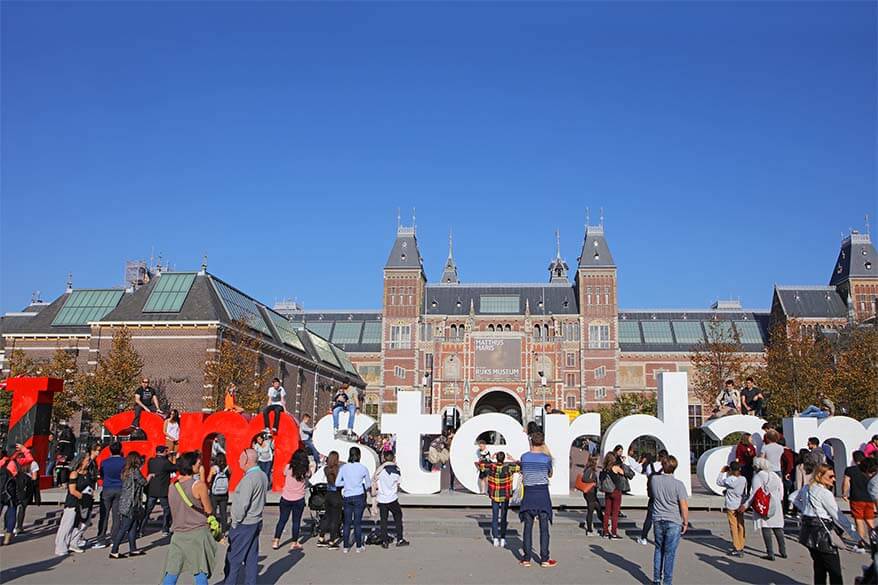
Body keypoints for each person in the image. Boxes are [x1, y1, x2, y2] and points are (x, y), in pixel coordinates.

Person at [794, 463, 859, 585]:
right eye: (830, 476)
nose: (834, 480)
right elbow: (838, 515)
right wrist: (855, 534)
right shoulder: (824, 493)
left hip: (808, 529)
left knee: (819, 567)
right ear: (820, 475)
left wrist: (806, 510)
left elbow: (794, 498)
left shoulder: (807, 488)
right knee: (834, 570)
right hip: (822, 532)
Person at [161, 451, 218, 585]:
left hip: (178, 533)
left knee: (172, 570)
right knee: (200, 570)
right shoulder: (199, 486)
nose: (200, 466)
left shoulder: (172, 486)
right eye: (198, 463)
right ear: (191, 466)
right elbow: (209, 510)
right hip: (197, 533)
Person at [223, 448, 268, 585]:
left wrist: (235, 522)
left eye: (240, 458)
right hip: (256, 520)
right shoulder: (262, 475)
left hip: (244, 523)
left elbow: (242, 504)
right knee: (251, 559)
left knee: (233, 560)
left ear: (247, 460)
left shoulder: (249, 479)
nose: (238, 461)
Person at [518, 431, 556, 568]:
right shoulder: (547, 459)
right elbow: (550, 474)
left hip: (529, 493)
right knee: (544, 528)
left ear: (531, 442)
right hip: (542, 493)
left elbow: (522, 471)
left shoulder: (524, 457)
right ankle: (545, 559)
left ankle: (526, 558)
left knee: (527, 527)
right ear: (543, 442)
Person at [650, 455, 689, 585]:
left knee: (658, 549)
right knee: (669, 553)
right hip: (673, 519)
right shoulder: (679, 484)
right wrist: (685, 521)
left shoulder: (655, 480)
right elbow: (683, 505)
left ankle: (656, 579)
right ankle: (667, 581)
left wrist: (663, 467)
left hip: (658, 517)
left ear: (662, 465)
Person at [741, 456, 786, 560]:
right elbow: (781, 488)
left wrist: (746, 505)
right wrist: (780, 499)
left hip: (765, 503)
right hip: (776, 502)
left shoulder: (758, 476)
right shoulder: (774, 475)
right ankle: (783, 550)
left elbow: (754, 492)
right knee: (777, 527)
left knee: (766, 527)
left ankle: (770, 553)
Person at [109, 452, 149, 559]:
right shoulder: (135, 471)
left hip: (127, 502)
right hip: (131, 503)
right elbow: (144, 482)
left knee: (133, 526)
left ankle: (133, 549)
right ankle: (114, 550)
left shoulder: (126, 471)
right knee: (125, 527)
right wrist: (149, 477)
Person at [477, 450, 520, 546]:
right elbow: (521, 466)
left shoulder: (492, 466)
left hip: (494, 494)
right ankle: (503, 538)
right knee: (504, 517)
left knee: (495, 516)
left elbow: (481, 464)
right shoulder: (509, 467)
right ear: (504, 458)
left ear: (497, 458)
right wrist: (513, 459)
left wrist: (491, 458)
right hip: (505, 494)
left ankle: (495, 538)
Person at [54, 452, 93, 556]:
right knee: (67, 525)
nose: (88, 462)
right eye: (87, 460)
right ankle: (60, 546)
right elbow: (72, 490)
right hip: (74, 502)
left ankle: (74, 542)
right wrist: (82, 497)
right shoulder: (74, 473)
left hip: (86, 502)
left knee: (83, 523)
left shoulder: (87, 473)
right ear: (81, 461)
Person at [273, 449, 309, 551]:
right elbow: (310, 475)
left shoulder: (288, 467)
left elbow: (284, 473)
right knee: (296, 521)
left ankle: (276, 540)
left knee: (282, 520)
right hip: (298, 498)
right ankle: (294, 542)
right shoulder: (305, 470)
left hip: (286, 497)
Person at [336, 446, 370, 553]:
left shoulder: (344, 468)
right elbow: (368, 484)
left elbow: (337, 483)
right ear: (359, 455)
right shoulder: (363, 468)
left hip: (347, 496)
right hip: (359, 495)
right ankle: (359, 546)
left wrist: (346, 483)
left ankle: (346, 546)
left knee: (347, 522)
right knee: (357, 523)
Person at [375, 451, 408, 548]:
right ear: (393, 458)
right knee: (398, 518)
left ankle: (384, 541)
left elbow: (375, 480)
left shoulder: (380, 471)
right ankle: (400, 539)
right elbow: (398, 483)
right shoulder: (396, 470)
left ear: (384, 459)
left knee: (383, 520)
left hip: (382, 498)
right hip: (392, 498)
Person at [142, 445, 176, 536]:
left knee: (148, 510)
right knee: (166, 509)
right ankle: (165, 529)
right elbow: (174, 468)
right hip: (162, 490)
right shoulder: (165, 462)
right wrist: (175, 458)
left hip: (152, 489)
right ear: (163, 452)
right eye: (166, 451)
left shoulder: (151, 461)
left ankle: (141, 528)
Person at [843, 451, 874, 552]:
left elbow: (846, 482)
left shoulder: (850, 470)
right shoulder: (869, 469)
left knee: (859, 521)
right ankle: (874, 542)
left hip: (856, 498)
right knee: (870, 522)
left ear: (854, 459)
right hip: (869, 498)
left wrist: (844, 493)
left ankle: (861, 544)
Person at [96, 441, 125, 544]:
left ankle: (101, 538)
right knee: (116, 515)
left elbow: (101, 475)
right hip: (120, 488)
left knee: (104, 514)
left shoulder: (105, 462)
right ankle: (114, 537)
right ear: (120, 450)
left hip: (107, 487)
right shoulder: (124, 461)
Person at [717, 461, 747, 557]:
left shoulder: (729, 480)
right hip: (740, 504)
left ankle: (736, 546)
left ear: (730, 470)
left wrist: (722, 472)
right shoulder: (743, 479)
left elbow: (718, 482)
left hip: (731, 505)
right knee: (741, 525)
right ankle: (741, 544)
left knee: (733, 526)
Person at [600, 452, 631, 540]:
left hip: (607, 491)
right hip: (616, 491)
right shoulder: (616, 468)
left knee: (607, 512)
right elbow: (625, 473)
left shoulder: (605, 468)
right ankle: (613, 533)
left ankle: (605, 532)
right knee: (615, 513)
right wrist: (622, 463)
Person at [317, 451, 343, 549]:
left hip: (328, 494)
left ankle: (321, 537)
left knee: (326, 516)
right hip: (336, 494)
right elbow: (339, 482)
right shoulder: (338, 469)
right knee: (335, 519)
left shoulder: (326, 469)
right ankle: (332, 540)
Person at [638, 451, 665, 545]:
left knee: (649, 517)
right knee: (662, 518)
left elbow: (648, 476)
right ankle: (661, 539)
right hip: (663, 496)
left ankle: (644, 537)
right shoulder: (665, 468)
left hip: (653, 495)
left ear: (658, 456)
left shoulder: (651, 466)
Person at [207, 453, 231, 536]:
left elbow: (209, 479)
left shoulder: (214, 468)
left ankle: (214, 529)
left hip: (214, 493)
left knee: (213, 511)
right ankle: (224, 530)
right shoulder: (228, 468)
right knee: (223, 512)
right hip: (224, 493)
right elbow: (229, 478)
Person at [580, 455, 604, 537]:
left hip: (591, 493)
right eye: (597, 460)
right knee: (591, 510)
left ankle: (605, 524)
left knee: (598, 508)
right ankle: (589, 529)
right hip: (590, 493)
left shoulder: (590, 469)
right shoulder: (590, 469)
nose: (598, 462)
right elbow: (585, 479)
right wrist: (593, 482)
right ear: (594, 461)